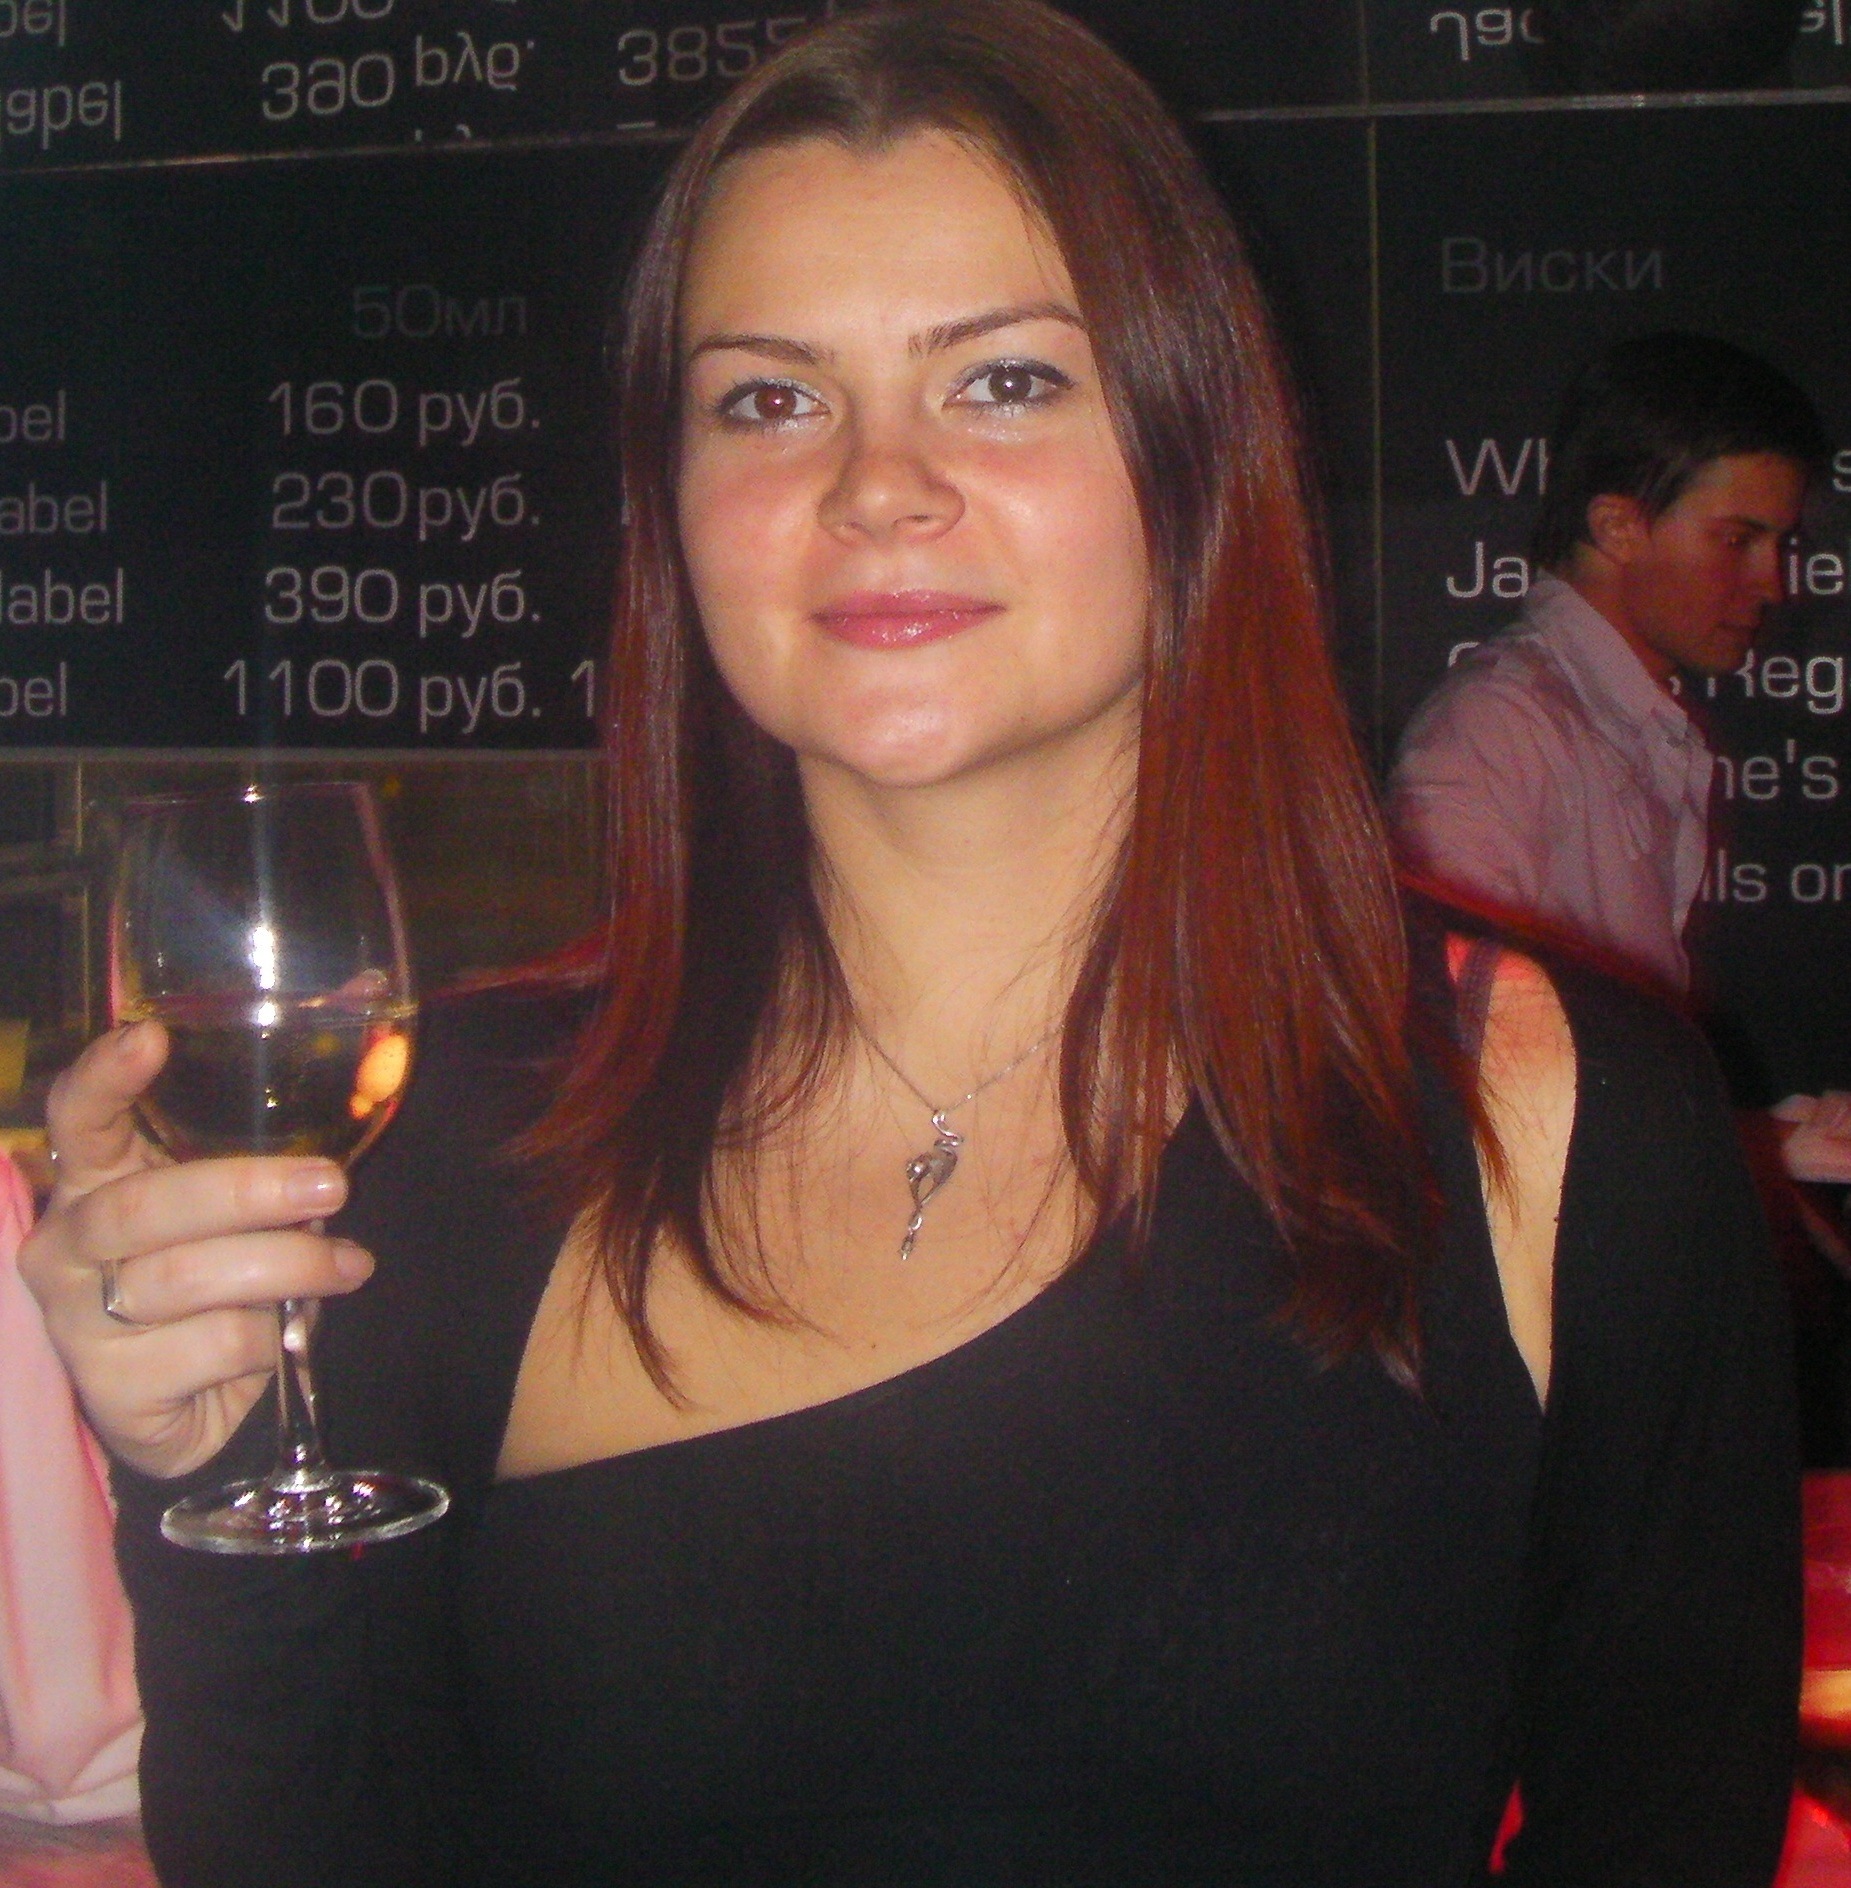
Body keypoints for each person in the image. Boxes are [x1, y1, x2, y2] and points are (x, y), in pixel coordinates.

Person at [20, 6, 1798, 1884]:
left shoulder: (1556, 1126)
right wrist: (203, 1472)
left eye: (1003, 380)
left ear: (1197, 446)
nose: (877, 484)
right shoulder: (439, 1146)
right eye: (768, 400)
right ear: (670, 505)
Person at [1389, 331, 1851, 1183]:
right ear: (1616, 526)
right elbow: (1453, 1078)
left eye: (1778, 545)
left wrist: (1755, 1143)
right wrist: (1749, 1150)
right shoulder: (1496, 730)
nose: (1773, 583)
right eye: (1737, 540)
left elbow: (1597, 1084)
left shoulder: (1621, 720)